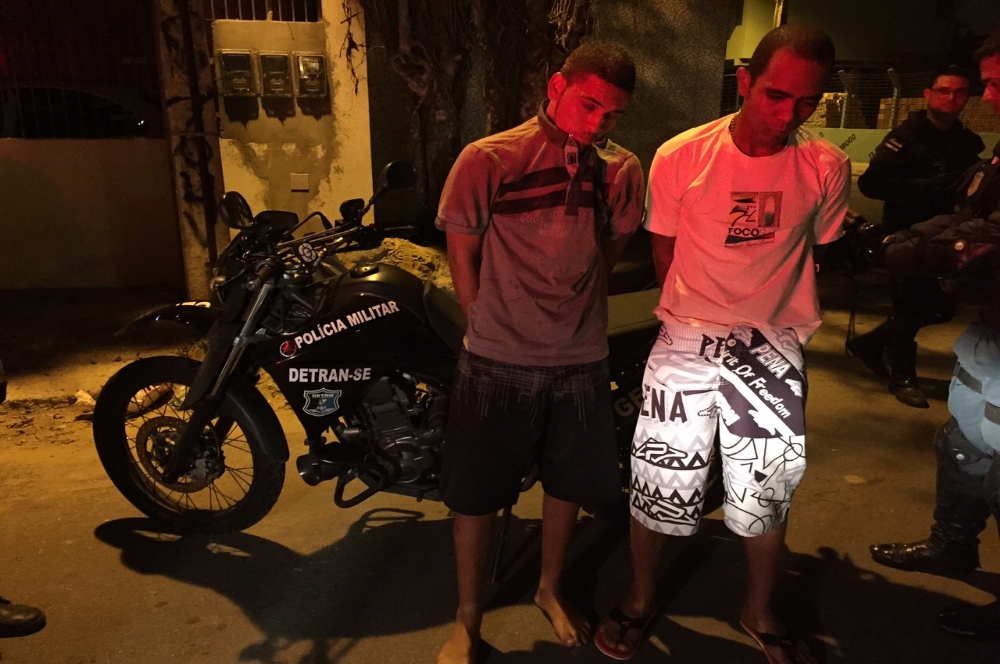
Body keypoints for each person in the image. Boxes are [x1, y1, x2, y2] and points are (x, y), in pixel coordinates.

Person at [594, 25, 848, 664]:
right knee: (659, 478)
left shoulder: (825, 165)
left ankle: (757, 608)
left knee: (767, 489)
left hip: (774, 344)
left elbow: (819, 249)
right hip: (686, 337)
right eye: (775, 96)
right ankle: (641, 594)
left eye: (807, 102)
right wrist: (703, 310)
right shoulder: (682, 156)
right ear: (744, 82)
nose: (788, 115)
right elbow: (664, 250)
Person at [433, 41, 645, 664]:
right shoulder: (490, 158)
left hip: (580, 359)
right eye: (588, 105)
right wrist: (485, 323)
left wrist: (577, 312)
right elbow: (462, 251)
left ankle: (549, 586)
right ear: (556, 86)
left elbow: (610, 249)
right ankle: (467, 615)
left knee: (567, 484)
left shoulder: (622, 169)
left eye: (612, 114)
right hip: (496, 358)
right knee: (476, 494)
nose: (598, 124)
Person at [869, 29, 1000, 640]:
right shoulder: (924, 138)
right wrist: (910, 239)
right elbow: (969, 209)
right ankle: (952, 545)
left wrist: (938, 249)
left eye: (995, 84)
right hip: (987, 329)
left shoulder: (970, 140)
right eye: (985, 84)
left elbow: (985, 234)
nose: (987, 97)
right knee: (962, 444)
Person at [849, 67, 985, 408]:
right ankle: (902, 376)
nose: (951, 98)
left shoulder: (967, 142)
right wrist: (923, 187)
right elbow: (871, 184)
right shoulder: (906, 137)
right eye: (943, 91)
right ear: (928, 95)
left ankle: (871, 344)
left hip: (949, 234)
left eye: (959, 92)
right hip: (907, 233)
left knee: (942, 307)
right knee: (909, 304)